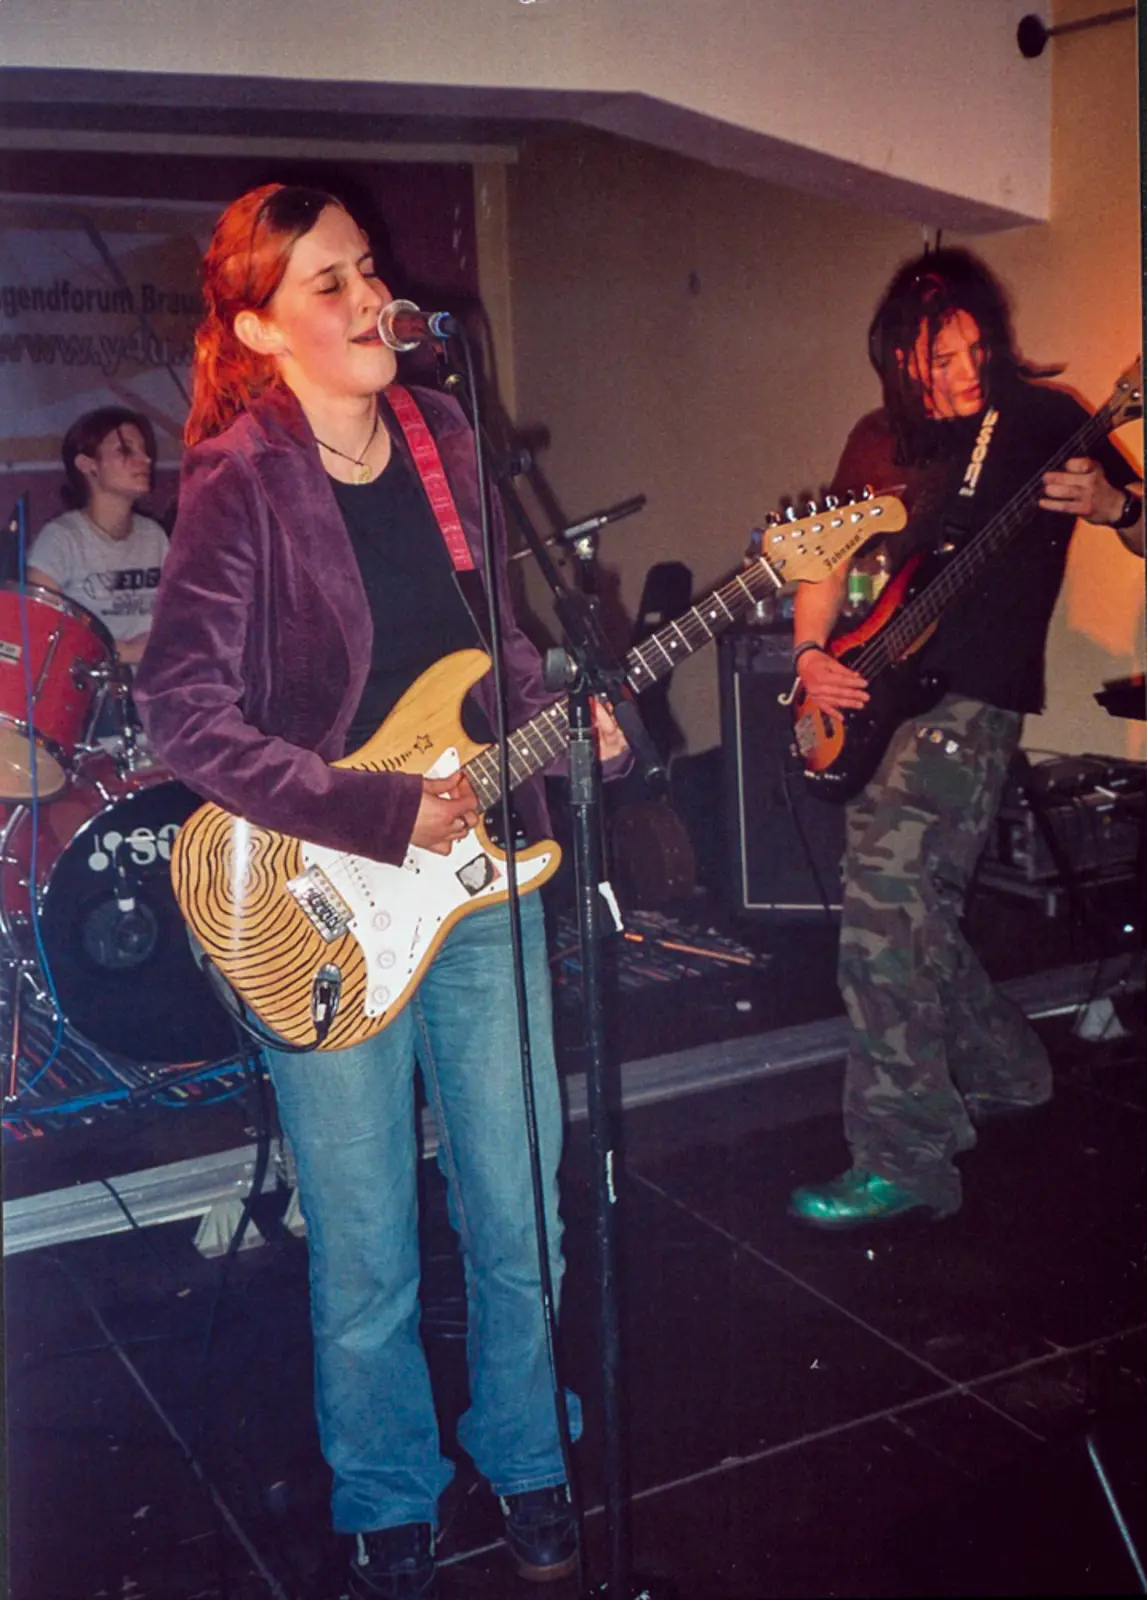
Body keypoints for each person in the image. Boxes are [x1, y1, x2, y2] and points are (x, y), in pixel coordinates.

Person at [134, 183, 624, 1599]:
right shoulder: (239, 476)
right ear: (258, 330)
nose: (371, 300)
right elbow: (182, 715)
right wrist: (374, 808)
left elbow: (492, 646)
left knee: (519, 1206)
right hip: (325, 893)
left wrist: (562, 715)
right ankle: (386, 1487)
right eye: (330, 285)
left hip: (483, 880)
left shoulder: (442, 432)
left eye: (367, 270)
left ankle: (526, 1454)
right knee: (364, 1237)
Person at [787, 247, 1142, 1231]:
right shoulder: (876, 440)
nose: (958, 375)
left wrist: (1116, 505)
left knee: (882, 917)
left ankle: (902, 1158)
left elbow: (1143, 526)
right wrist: (811, 652)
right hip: (875, 698)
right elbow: (824, 560)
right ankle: (1012, 1068)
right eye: (934, 360)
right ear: (894, 359)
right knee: (908, 919)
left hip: (972, 707)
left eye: (973, 352)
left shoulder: (1042, 418)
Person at [28, 406, 167, 667]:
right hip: (87, 685)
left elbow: (179, 615)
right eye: (126, 450)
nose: (146, 459)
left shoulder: (155, 537)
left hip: (153, 684)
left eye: (144, 450)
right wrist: (122, 652)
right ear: (87, 465)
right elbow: (37, 632)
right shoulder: (60, 540)